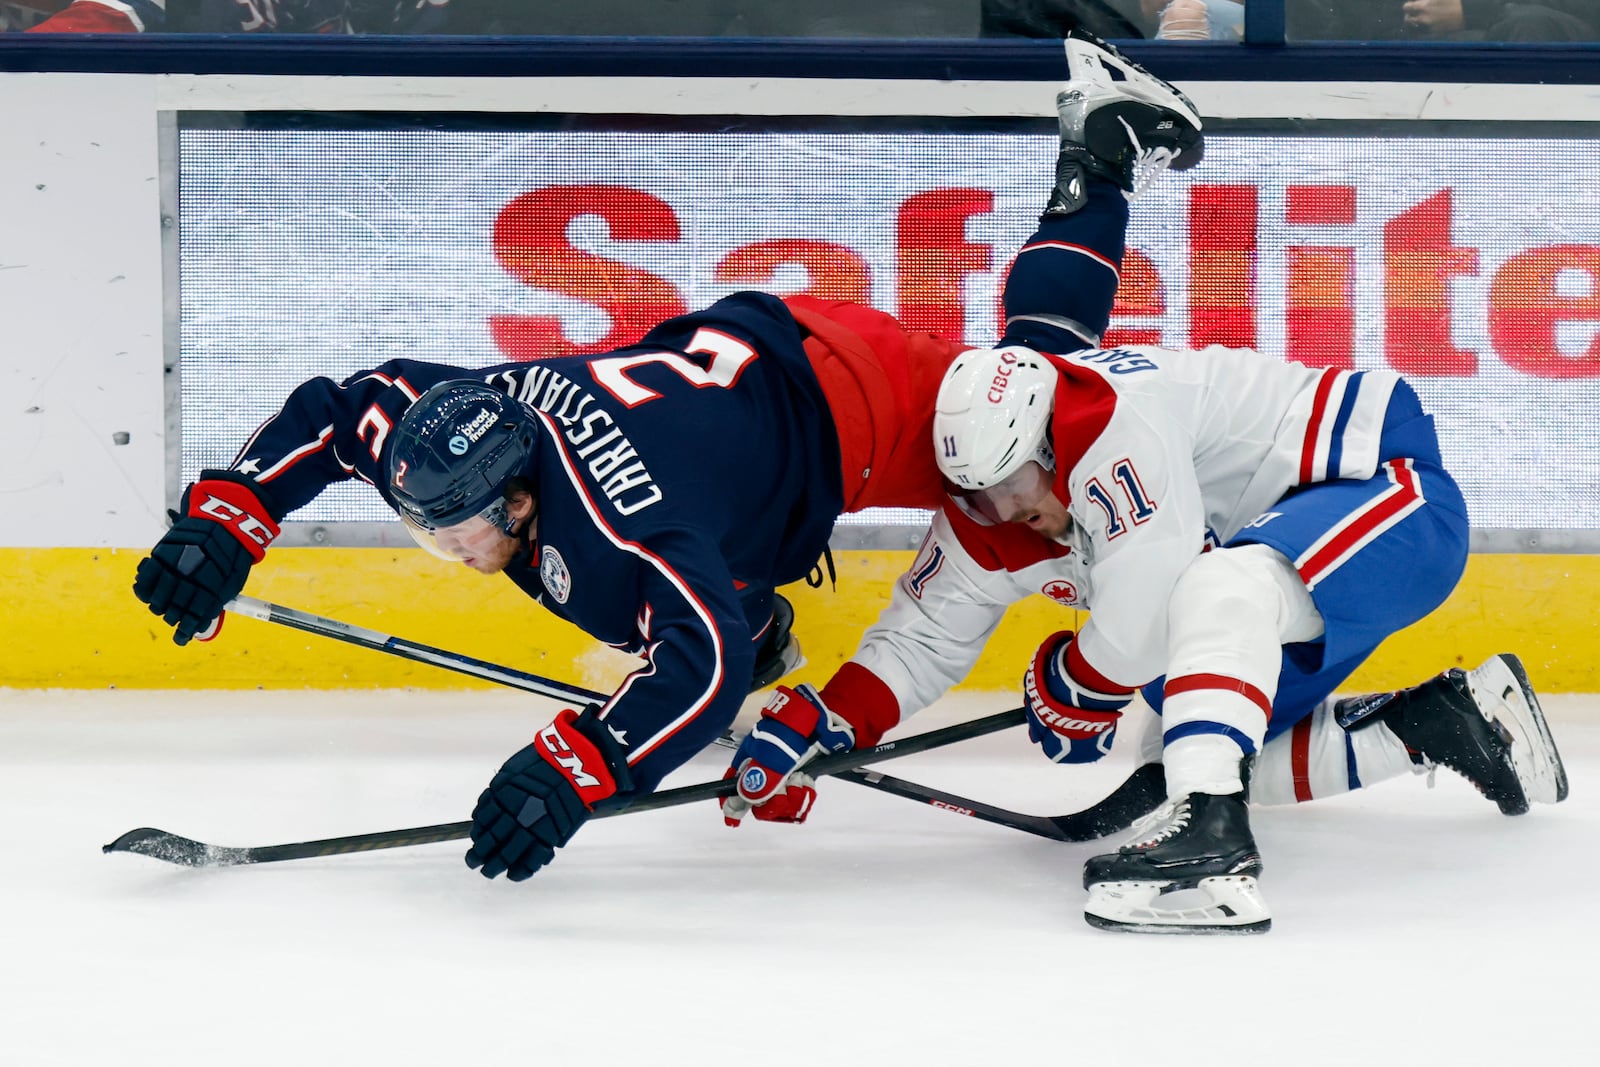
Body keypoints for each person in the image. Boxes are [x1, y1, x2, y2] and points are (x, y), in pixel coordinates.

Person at [132, 33, 1205, 883]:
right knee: (644, 584)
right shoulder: (466, 418)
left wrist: (575, 767)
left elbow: (701, 664)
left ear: (514, 493)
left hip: (852, 402)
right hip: (735, 374)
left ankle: (1101, 155)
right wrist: (227, 520)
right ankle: (762, 594)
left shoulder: (618, 537)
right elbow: (342, 411)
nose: (444, 546)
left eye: (455, 527)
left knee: (1046, 383)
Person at [719, 124, 1570, 936]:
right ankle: (1457, 722)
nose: (1008, 511)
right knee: (1210, 744)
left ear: (1051, 436)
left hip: (1385, 489)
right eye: (977, 494)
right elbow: (920, 642)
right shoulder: (989, 496)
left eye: (1017, 483)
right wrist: (819, 718)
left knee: (1215, 592)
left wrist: (1075, 677)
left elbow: (1138, 620)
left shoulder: (1117, 421)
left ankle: (1211, 859)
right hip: (1297, 552)